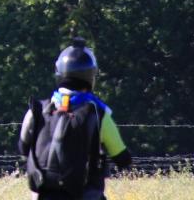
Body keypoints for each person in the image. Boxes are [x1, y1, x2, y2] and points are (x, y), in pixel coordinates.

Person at [18, 38, 133, 200]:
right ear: (90, 76)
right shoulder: (98, 115)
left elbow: (23, 149)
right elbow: (123, 159)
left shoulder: (36, 111)